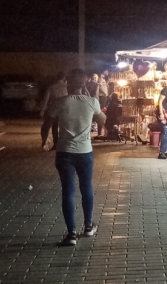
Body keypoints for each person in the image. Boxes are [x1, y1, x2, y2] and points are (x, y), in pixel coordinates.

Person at [53, 69, 106, 246]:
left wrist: (44, 142)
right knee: (86, 188)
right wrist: (89, 98)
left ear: (67, 82)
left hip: (64, 152)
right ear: (84, 84)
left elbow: (47, 123)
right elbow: (103, 120)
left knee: (68, 191)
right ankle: (89, 226)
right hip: (85, 152)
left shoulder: (60, 102)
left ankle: (71, 234)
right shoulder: (92, 102)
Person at [40, 72, 67, 151]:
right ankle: (58, 143)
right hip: (63, 110)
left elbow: (46, 99)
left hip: (52, 110)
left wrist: (43, 109)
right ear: (64, 78)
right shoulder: (66, 87)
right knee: (60, 127)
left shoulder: (51, 87)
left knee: (48, 126)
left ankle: (45, 142)